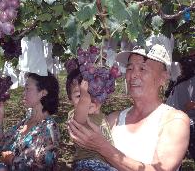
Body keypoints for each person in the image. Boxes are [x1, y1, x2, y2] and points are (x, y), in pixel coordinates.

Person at [68, 34, 190, 171]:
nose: (133, 75)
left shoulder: (174, 121)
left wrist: (102, 147)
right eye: (130, 68)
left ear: (164, 78)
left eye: (142, 68)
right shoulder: (113, 120)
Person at [0, 72, 60, 171]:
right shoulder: (24, 122)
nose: (23, 93)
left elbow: (45, 165)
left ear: (43, 93)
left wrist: (12, 160)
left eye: (27, 89)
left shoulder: (49, 127)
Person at [66, 68, 116, 171]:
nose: (89, 99)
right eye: (79, 95)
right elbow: (82, 107)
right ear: (70, 100)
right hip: (88, 164)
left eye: (93, 93)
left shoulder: (102, 117)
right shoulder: (77, 116)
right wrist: (85, 95)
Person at [166, 54, 195, 161]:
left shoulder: (191, 81)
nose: (181, 70)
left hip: (187, 122)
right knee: (173, 153)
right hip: (172, 119)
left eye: (183, 67)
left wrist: (190, 106)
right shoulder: (178, 80)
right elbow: (168, 94)